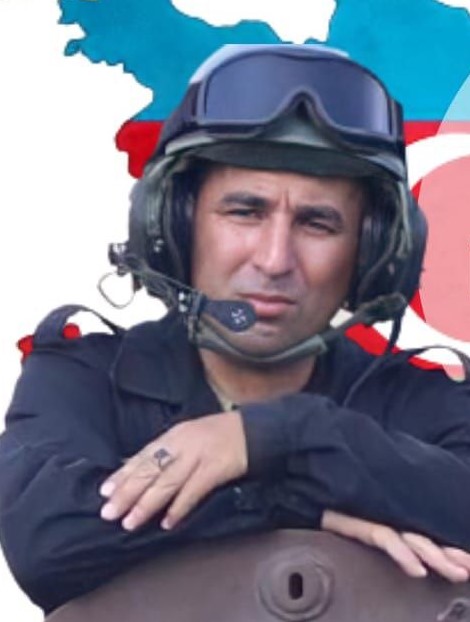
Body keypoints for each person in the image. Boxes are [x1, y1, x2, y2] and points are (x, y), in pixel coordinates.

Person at [1, 43, 470, 615]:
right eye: (244, 212)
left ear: (373, 254)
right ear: (174, 226)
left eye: (317, 224)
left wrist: (282, 437)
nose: (274, 260)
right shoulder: (83, 378)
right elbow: (45, 542)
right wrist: (285, 496)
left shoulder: (424, 402)